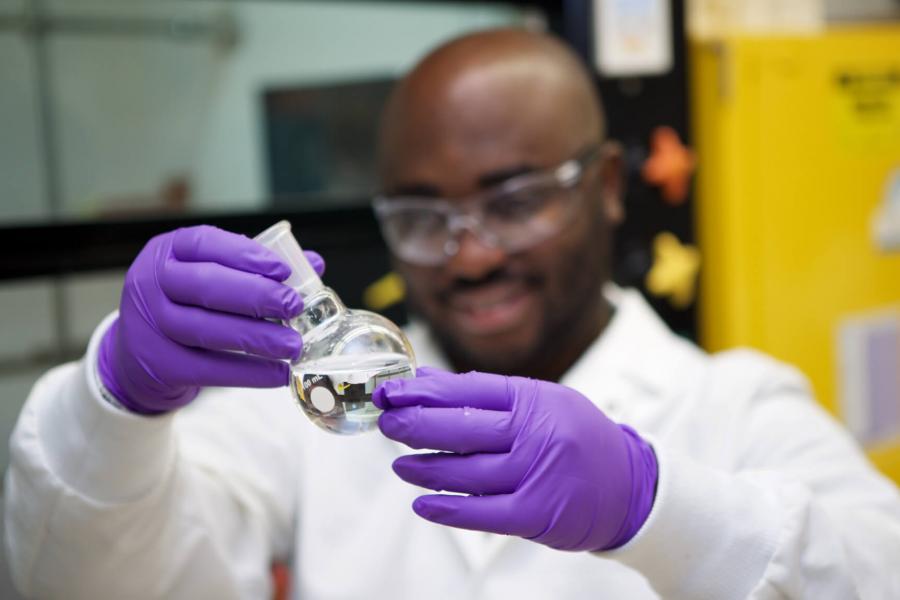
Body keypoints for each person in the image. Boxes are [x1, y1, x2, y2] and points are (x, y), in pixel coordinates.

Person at [5, 29, 900, 600]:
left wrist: (652, 503)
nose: (469, 256)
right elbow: (82, 586)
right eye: (424, 218)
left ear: (612, 187)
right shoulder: (311, 415)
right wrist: (116, 400)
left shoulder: (733, 405)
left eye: (513, 200)